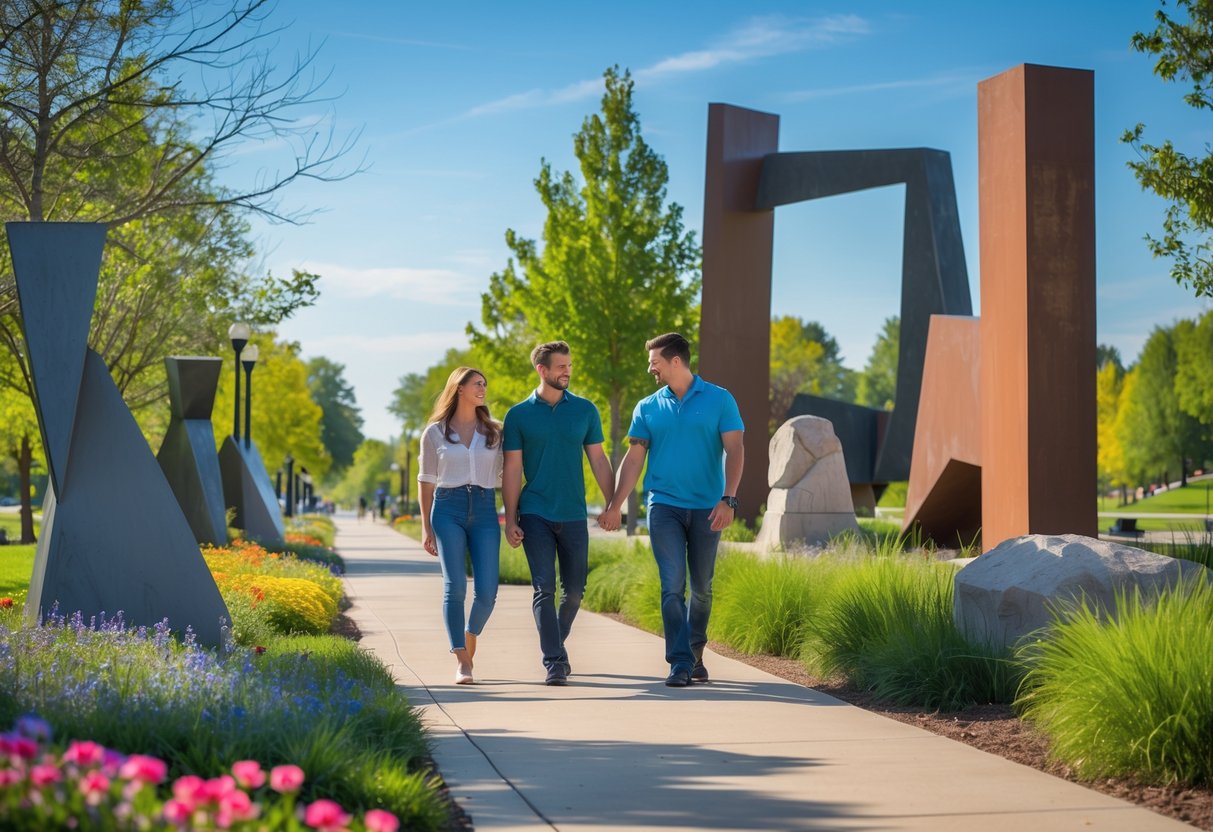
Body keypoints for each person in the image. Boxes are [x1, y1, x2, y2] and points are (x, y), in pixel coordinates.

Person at [599, 333, 744, 687]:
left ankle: (695, 652)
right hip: (663, 505)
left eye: (655, 362)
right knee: (671, 585)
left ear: (675, 361)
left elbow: (736, 450)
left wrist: (729, 499)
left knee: (702, 588)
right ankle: (679, 662)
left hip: (708, 508)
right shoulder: (647, 406)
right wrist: (615, 504)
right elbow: (635, 459)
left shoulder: (720, 400)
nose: (651, 368)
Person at [502, 341, 615, 686]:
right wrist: (510, 518)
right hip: (534, 510)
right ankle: (554, 661)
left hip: (572, 512)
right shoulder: (518, 415)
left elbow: (598, 458)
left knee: (576, 591)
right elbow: (512, 468)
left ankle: (556, 646)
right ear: (542, 369)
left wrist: (613, 505)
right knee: (544, 588)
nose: (567, 371)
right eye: (561, 367)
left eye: (569, 366)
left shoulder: (584, 410)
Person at [418, 367, 503, 685]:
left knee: (487, 593)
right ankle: (462, 660)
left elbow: (507, 475)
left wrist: (515, 515)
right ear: (459, 389)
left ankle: (469, 633)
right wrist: (426, 526)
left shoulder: (495, 431)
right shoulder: (435, 432)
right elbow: (426, 481)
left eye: (485, 383)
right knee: (455, 587)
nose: (483, 388)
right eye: (477, 384)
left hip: (484, 509)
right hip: (448, 509)